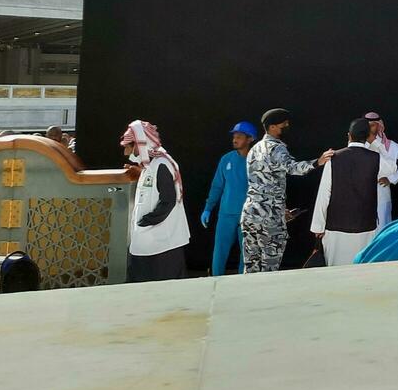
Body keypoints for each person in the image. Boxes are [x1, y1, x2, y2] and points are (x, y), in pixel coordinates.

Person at [239, 108, 332, 273]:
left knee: (251, 267)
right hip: (269, 218)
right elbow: (292, 168)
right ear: (273, 127)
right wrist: (318, 162)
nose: (287, 126)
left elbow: (262, 184)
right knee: (269, 268)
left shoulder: (255, 148)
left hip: (250, 214)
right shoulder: (276, 148)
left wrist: (281, 209)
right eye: (284, 123)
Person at [121, 120, 190, 281]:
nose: (126, 153)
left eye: (129, 147)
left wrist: (146, 221)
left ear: (140, 144)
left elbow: (168, 200)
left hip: (163, 243)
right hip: (147, 241)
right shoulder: (149, 166)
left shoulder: (162, 165)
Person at [312, 118, 385, 265]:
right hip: (365, 225)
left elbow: (324, 193)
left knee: (336, 271)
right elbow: (393, 167)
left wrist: (318, 226)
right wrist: (375, 143)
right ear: (367, 137)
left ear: (349, 135)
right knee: (363, 271)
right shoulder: (376, 158)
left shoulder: (334, 158)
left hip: (336, 227)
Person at [201, 121, 257, 276]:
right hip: (226, 214)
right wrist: (208, 208)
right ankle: (215, 280)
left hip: (248, 215)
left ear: (250, 139)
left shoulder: (257, 161)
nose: (235, 139)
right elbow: (217, 186)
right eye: (234, 136)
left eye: (239, 136)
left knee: (246, 253)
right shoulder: (226, 159)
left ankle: (241, 283)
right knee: (220, 250)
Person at [364, 111, 398, 229]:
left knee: (382, 226)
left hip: (381, 191)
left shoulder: (390, 146)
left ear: (379, 125)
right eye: (367, 125)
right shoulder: (360, 145)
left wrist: (392, 178)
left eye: (372, 124)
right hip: (363, 192)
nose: (369, 128)